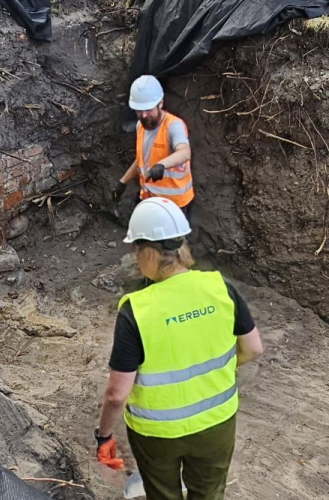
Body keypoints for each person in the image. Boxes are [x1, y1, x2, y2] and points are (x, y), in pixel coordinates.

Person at [94, 197, 264, 500]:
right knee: (209, 493)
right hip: (217, 423)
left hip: (157, 435)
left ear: (147, 251)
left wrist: (104, 435)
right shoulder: (220, 287)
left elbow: (117, 394)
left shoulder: (136, 311)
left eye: (135, 250)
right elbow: (252, 348)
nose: (135, 258)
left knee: (162, 494)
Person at [112, 75, 195, 222]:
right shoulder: (141, 126)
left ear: (160, 103)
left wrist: (162, 165)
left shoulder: (173, 126)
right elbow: (142, 161)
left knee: (170, 244)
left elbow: (184, 152)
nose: (144, 115)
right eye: (139, 111)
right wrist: (123, 182)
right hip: (150, 198)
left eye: (148, 110)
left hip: (175, 205)